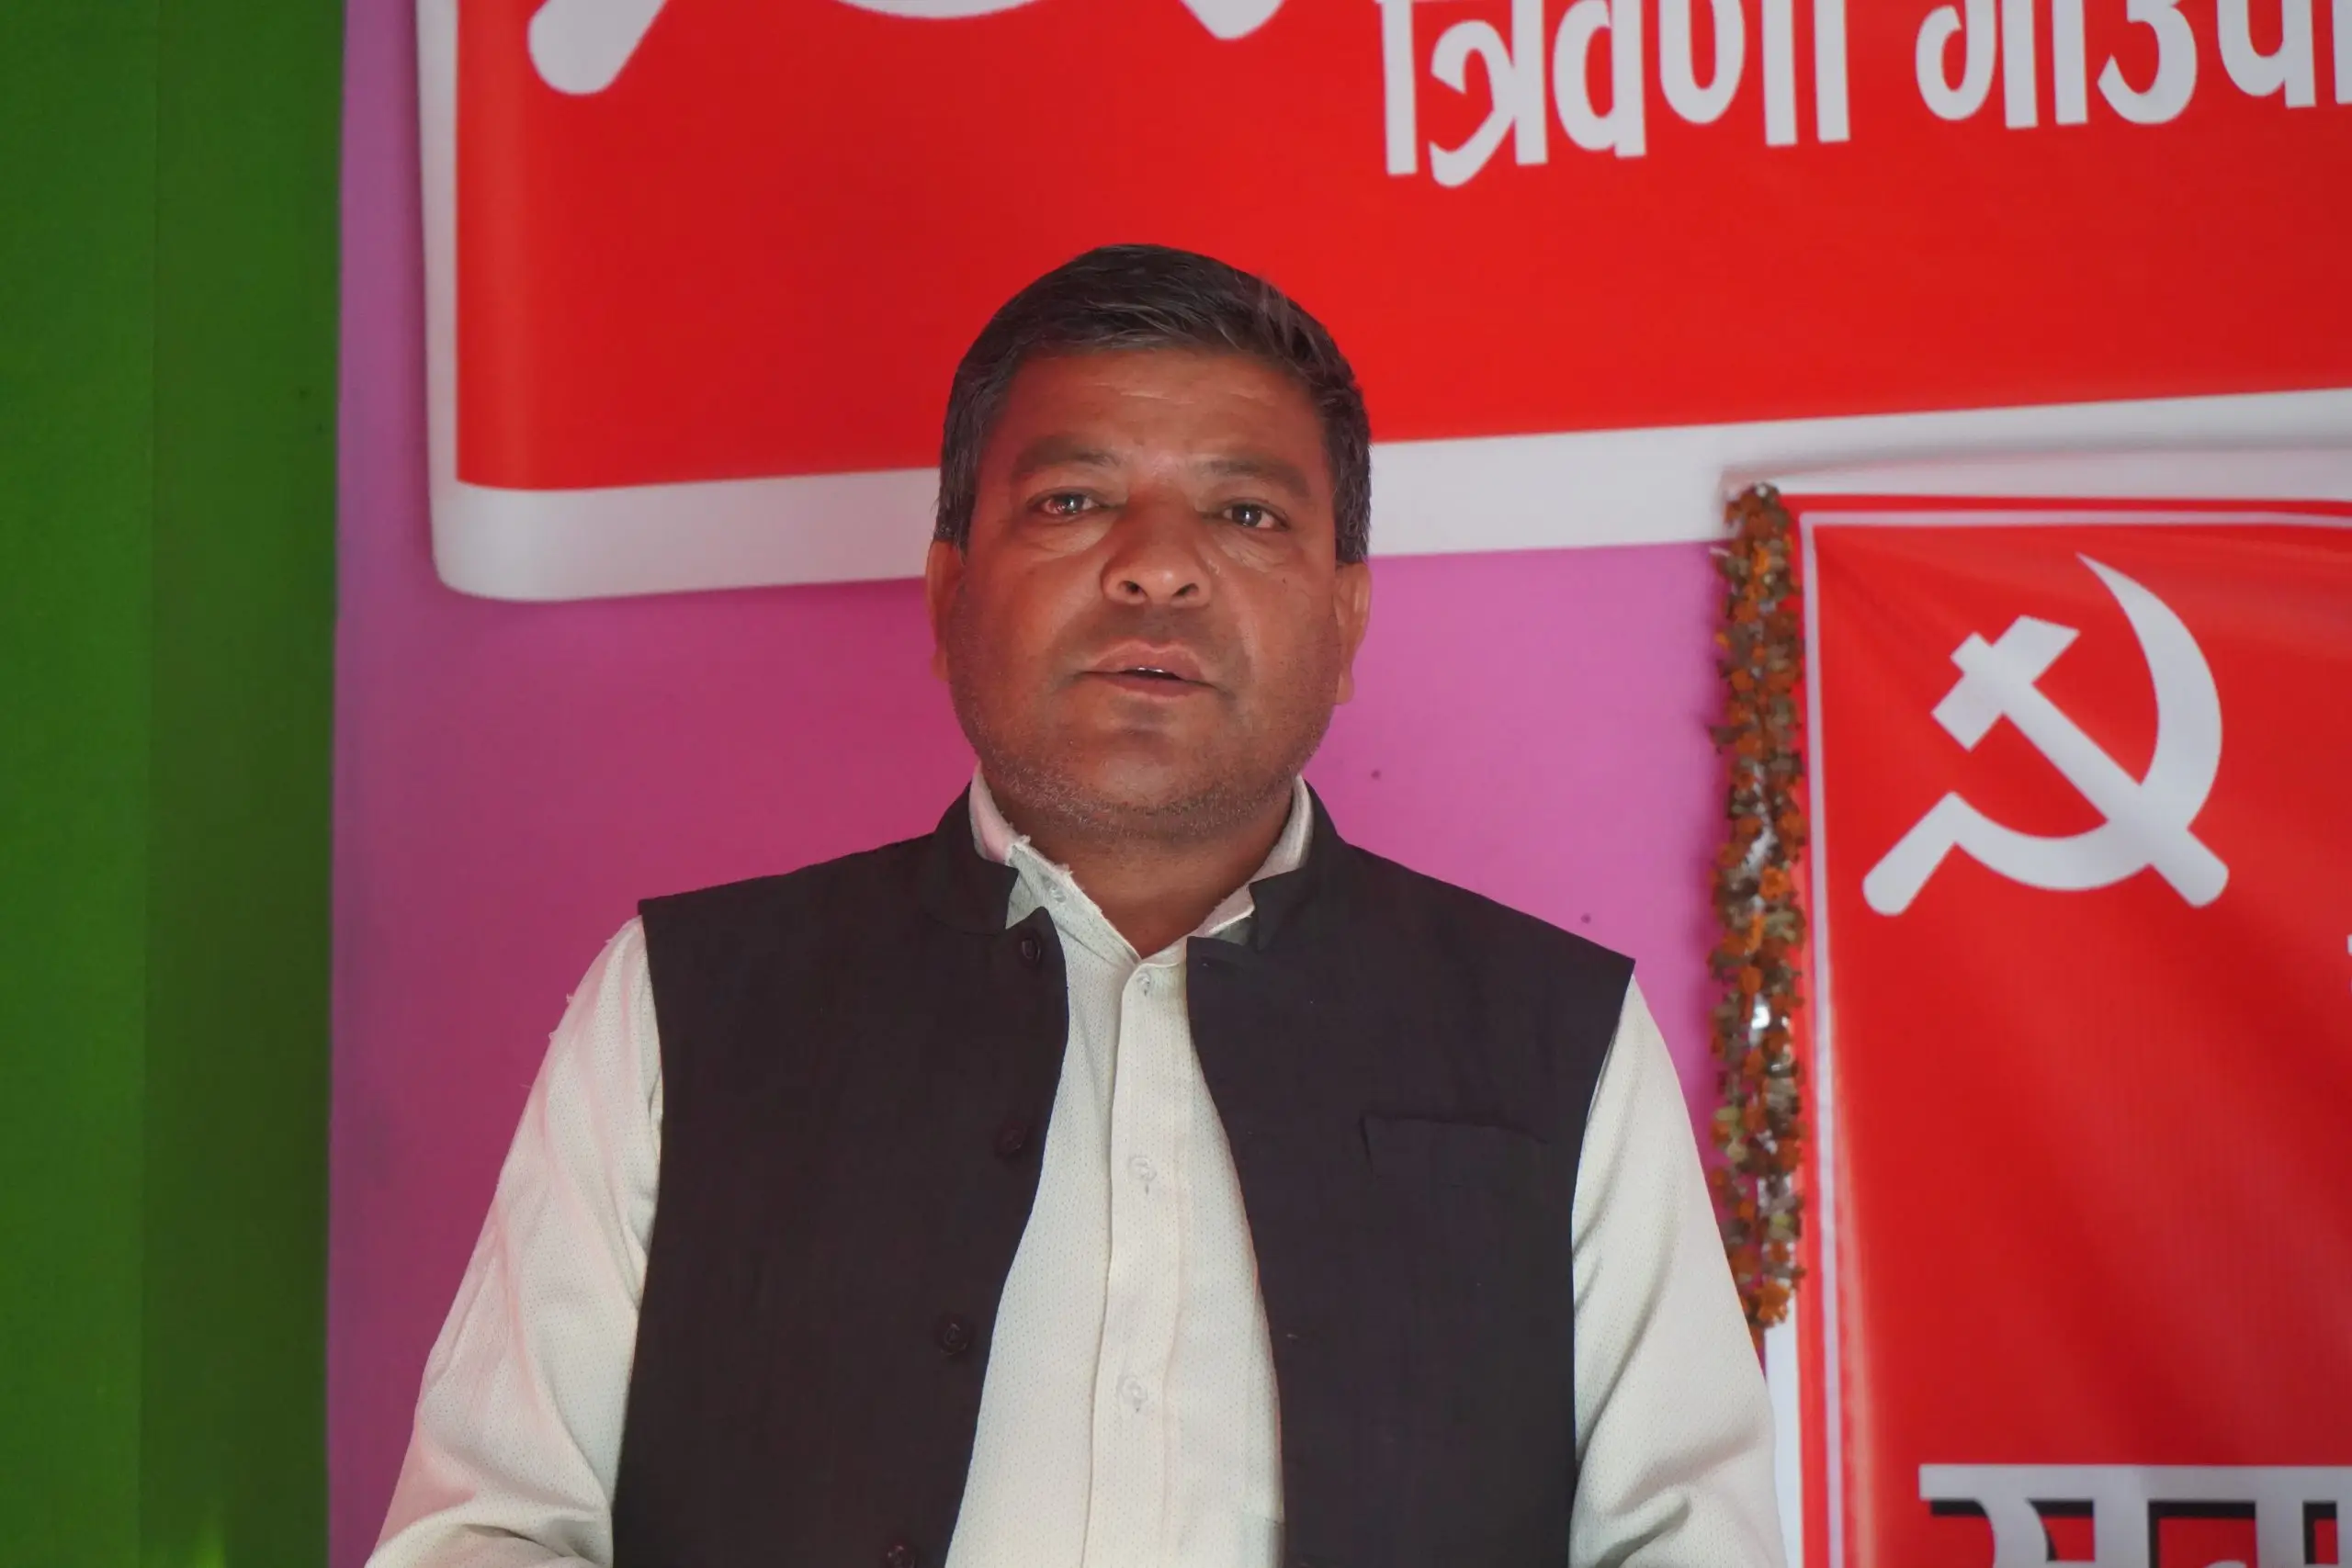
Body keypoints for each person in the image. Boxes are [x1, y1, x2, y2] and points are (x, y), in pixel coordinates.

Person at [370, 244, 1782, 1568]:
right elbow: (490, 1529)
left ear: (1347, 619)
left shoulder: (1552, 1035)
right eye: (1073, 501)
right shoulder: (687, 1004)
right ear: (947, 595)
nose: (1156, 565)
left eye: (1245, 512)